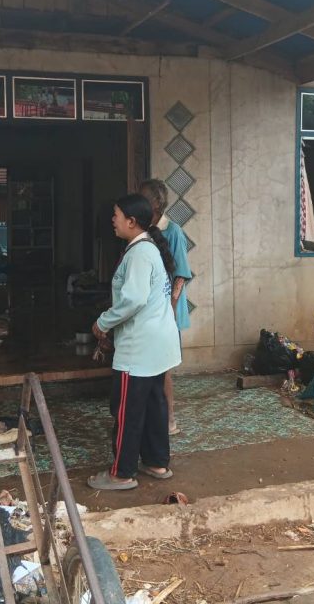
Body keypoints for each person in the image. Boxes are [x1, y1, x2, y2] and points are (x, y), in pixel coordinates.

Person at [88, 194, 182, 490]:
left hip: (140, 347)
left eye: (116, 215)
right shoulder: (148, 248)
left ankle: (121, 473)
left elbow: (134, 299)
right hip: (158, 343)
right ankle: (156, 462)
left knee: (127, 410)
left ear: (131, 221)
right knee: (154, 405)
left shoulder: (140, 253)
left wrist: (103, 323)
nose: (112, 220)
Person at [138, 179, 192, 435]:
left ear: (156, 204)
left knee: (164, 370)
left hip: (167, 311)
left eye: (144, 198)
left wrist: (169, 310)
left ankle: (169, 419)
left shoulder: (173, 232)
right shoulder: (143, 230)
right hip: (151, 310)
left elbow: (180, 275)